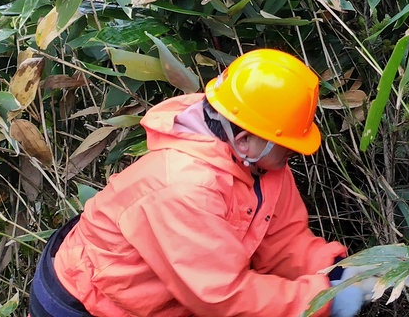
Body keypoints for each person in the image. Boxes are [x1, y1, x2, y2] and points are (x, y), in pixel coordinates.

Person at [29, 48, 372, 317]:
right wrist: (322, 299)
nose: (294, 153)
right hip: (88, 305)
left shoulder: (262, 163)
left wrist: (336, 272)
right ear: (244, 140)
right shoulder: (183, 187)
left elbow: (283, 241)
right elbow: (222, 295)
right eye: (288, 145)